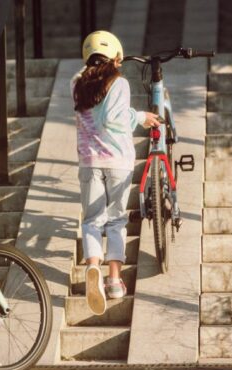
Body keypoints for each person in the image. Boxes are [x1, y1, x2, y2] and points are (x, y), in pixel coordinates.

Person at [72, 31, 160, 315]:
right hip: (117, 162)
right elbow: (114, 118)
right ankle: (113, 280)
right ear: (117, 59)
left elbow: (92, 103)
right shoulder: (119, 83)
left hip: (89, 163)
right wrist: (140, 117)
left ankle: (93, 267)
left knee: (91, 222)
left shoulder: (76, 83)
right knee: (116, 220)